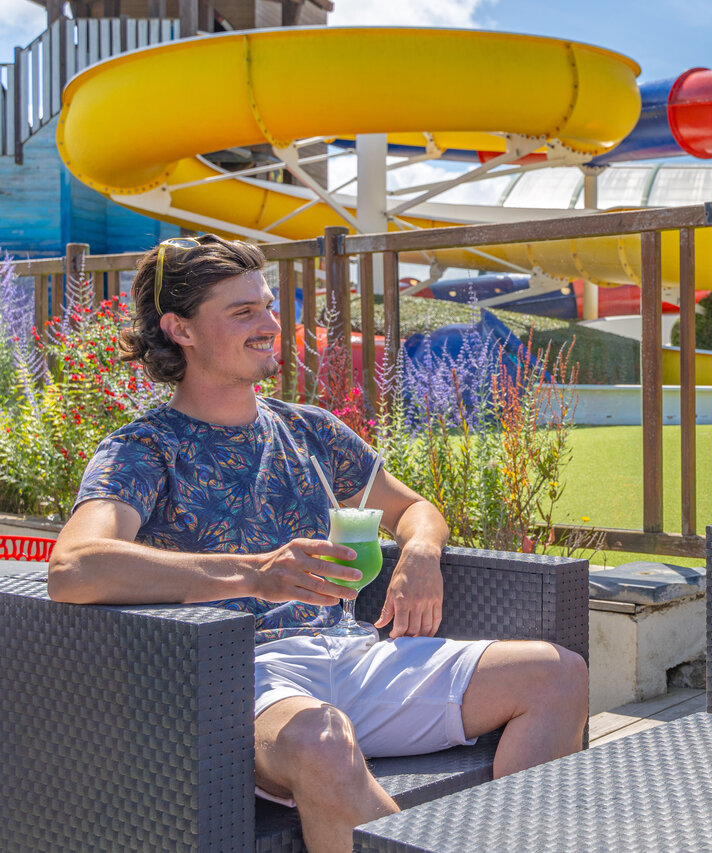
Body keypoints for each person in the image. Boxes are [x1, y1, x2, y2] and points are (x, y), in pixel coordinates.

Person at [47, 235, 588, 853]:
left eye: (269, 305)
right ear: (182, 330)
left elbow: (413, 508)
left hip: (350, 653)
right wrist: (254, 574)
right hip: (238, 676)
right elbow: (74, 567)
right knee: (322, 742)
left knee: (557, 675)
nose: (270, 324)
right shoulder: (144, 449)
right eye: (243, 311)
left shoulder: (310, 429)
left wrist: (419, 552)